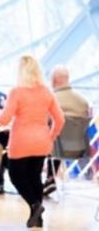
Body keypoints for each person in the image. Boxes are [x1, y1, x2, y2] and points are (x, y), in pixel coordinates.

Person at [0, 55, 64, 228]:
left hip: (21, 141)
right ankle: (37, 218)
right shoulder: (47, 91)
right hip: (42, 141)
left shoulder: (16, 92)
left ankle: (35, 205)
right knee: (35, 177)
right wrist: (51, 136)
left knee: (16, 176)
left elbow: (4, 119)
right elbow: (60, 119)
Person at [44, 64, 90, 195]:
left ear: (54, 80)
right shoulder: (83, 101)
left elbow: (43, 122)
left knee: (47, 136)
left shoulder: (52, 99)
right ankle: (50, 179)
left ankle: (47, 179)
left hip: (56, 149)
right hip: (79, 149)